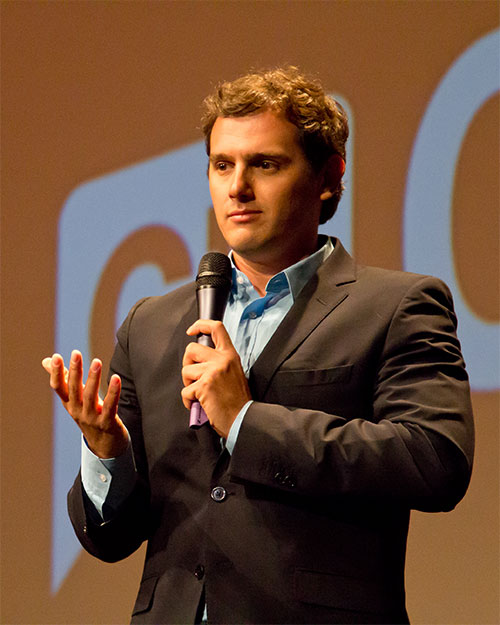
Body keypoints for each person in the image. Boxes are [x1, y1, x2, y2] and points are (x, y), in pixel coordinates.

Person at [42, 66, 474, 625]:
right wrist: (107, 454)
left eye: (264, 164)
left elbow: (434, 460)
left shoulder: (396, 306)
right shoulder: (150, 324)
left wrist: (247, 422)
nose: (237, 188)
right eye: (222, 165)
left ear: (329, 176)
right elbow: (111, 538)